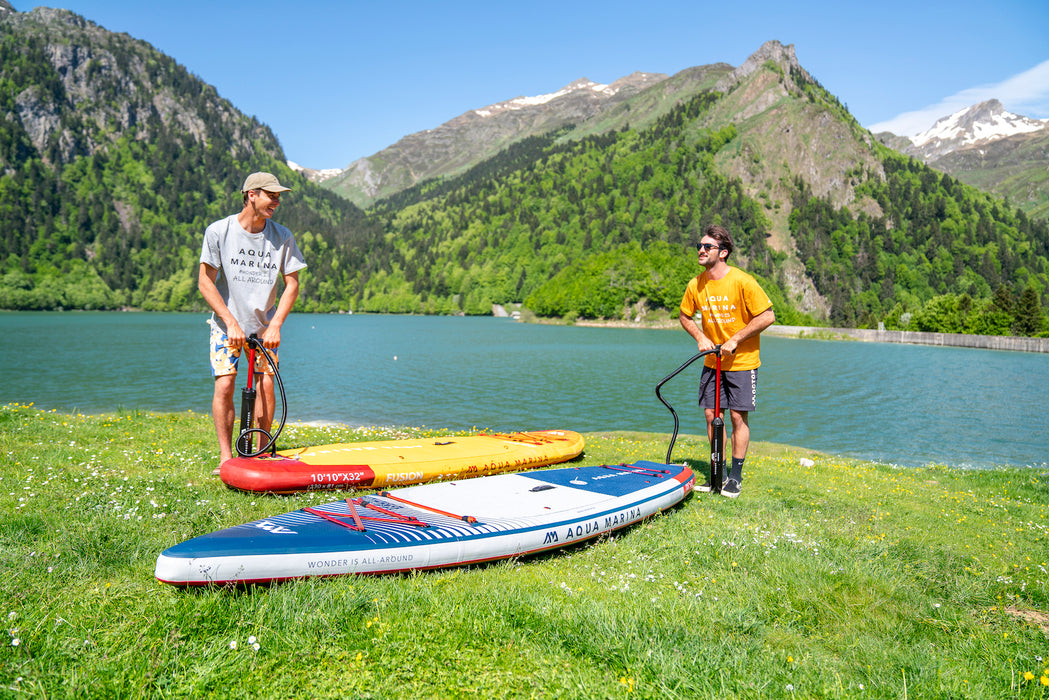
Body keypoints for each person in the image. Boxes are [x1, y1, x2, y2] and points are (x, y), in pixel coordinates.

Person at [198, 172, 307, 471]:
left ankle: (263, 453)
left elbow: (292, 284)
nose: (277, 201)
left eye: (278, 196)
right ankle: (226, 457)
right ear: (251, 195)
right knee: (225, 384)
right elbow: (205, 282)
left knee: (266, 384)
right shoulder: (219, 231)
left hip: (264, 326)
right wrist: (230, 322)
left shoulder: (282, 236)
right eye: (271, 195)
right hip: (226, 325)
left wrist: (275, 325)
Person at [678, 224, 775, 498]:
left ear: (723, 253)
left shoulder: (743, 281)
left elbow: (767, 316)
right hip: (712, 361)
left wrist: (736, 339)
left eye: (707, 246)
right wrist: (699, 337)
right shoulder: (696, 284)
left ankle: (735, 477)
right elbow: (685, 316)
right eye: (699, 245)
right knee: (711, 415)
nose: (700, 249)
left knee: (736, 417)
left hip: (742, 362)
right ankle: (716, 473)